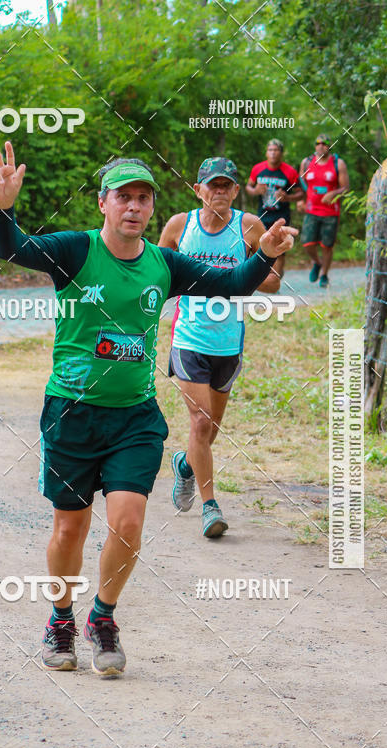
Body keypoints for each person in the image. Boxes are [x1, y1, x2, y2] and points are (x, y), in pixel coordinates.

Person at [0, 142, 296, 676]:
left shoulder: (163, 262)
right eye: (123, 197)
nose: (133, 206)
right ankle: (61, 618)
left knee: (128, 522)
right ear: (103, 204)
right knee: (69, 529)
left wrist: (265, 253)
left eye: (143, 199)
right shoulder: (74, 250)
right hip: (73, 412)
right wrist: (4, 207)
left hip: (134, 416)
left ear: (153, 209)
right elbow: (12, 249)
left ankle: (102, 618)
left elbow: (231, 283)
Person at [158, 156, 283, 538]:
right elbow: (154, 272)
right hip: (189, 339)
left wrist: (266, 255)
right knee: (200, 422)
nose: (221, 191)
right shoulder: (180, 226)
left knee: (208, 434)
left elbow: (274, 282)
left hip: (228, 344)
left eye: (227, 185)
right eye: (213, 185)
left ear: (235, 189)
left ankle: (185, 465)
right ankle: (210, 507)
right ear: (198, 190)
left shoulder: (249, 226)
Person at [245, 139, 302, 278]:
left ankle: (276, 277)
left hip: (281, 216)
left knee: (279, 246)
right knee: (260, 245)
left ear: (281, 153)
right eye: (270, 150)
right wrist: (256, 190)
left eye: (276, 150)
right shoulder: (258, 169)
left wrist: (287, 198)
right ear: (266, 152)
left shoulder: (290, 171)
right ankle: (264, 276)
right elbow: (248, 187)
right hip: (262, 214)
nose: (273, 153)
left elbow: (301, 194)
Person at [299, 134, 349, 288]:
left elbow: (346, 188)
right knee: (307, 242)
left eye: (325, 144)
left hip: (330, 211)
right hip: (312, 209)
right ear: (315, 146)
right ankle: (317, 262)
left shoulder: (338, 163)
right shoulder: (307, 162)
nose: (321, 146)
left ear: (330, 146)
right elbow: (301, 180)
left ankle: (325, 274)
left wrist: (333, 193)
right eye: (318, 143)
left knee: (327, 245)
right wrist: (302, 198)